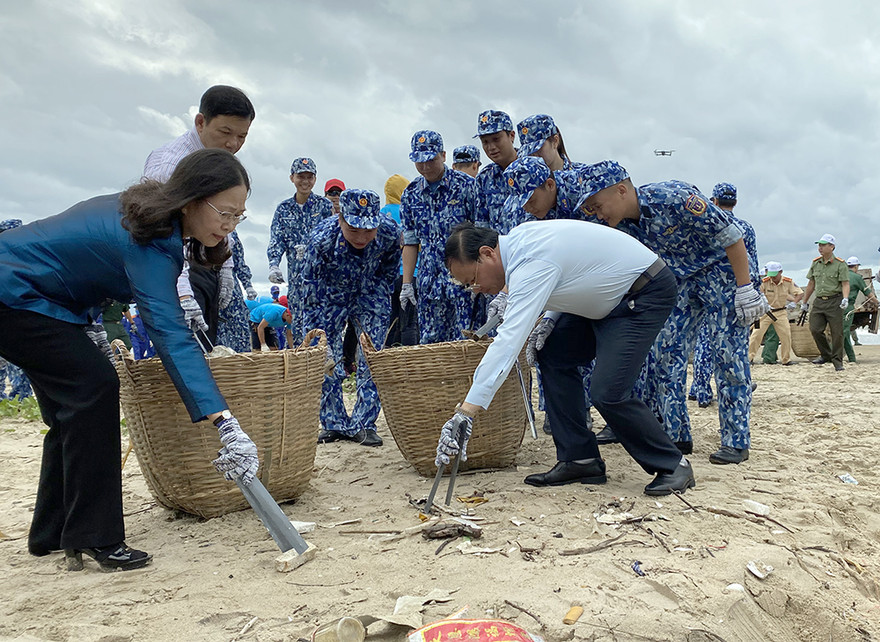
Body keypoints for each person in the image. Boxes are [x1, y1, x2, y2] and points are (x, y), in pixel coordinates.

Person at [0, 149, 259, 571]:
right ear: (192, 200)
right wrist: (224, 422)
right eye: (224, 213)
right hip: (14, 293)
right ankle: (94, 536)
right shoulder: (151, 240)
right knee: (94, 387)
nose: (230, 225)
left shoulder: (142, 215)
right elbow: (170, 333)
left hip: (34, 296)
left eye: (239, 216)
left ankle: (52, 531)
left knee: (72, 409)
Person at [436, 221, 695, 496]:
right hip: (602, 300)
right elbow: (574, 278)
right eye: (468, 286)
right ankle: (580, 458)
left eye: (473, 279)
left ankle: (673, 465)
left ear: (487, 253)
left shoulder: (530, 261)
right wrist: (550, 317)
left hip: (640, 293)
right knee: (552, 350)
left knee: (607, 392)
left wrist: (466, 411)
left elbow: (508, 342)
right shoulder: (520, 246)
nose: (476, 289)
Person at [576, 161, 769, 465]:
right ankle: (677, 434)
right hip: (678, 282)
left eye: (598, 205)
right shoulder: (616, 226)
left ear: (622, 190)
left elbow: (731, 235)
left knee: (727, 356)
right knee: (666, 355)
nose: (598, 214)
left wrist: (746, 287)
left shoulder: (674, 197)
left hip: (721, 273)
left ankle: (736, 441)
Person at [143, 86, 257, 345]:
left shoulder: (224, 164)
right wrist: (182, 292)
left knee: (229, 355)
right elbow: (159, 235)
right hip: (183, 269)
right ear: (200, 122)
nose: (233, 144)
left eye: (242, 136)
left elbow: (225, 218)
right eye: (225, 132)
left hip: (212, 265)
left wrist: (227, 267)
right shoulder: (169, 165)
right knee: (189, 349)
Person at [302, 189, 401, 447]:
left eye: (369, 230)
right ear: (341, 219)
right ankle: (333, 422)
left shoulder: (390, 232)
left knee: (372, 353)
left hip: (370, 290)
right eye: (354, 229)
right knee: (325, 355)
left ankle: (364, 423)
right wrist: (316, 334)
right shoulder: (321, 240)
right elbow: (310, 290)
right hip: (330, 295)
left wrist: (379, 295)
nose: (362, 237)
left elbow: (390, 268)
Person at [400, 130, 477, 343]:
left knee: (465, 340)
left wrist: (479, 277)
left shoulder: (466, 186)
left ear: (443, 155)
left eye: (430, 160)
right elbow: (410, 241)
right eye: (419, 161)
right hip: (429, 281)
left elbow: (480, 233)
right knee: (431, 342)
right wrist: (408, 283)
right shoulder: (411, 193)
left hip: (463, 279)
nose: (425, 166)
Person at [688, 182, 762, 406]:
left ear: (714, 201)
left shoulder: (706, 223)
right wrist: (754, 292)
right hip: (737, 291)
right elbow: (753, 263)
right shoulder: (745, 227)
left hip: (707, 291)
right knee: (736, 345)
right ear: (736, 202)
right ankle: (739, 390)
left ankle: (700, 391)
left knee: (704, 343)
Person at [267, 157, 334, 344]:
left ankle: (325, 369)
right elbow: (276, 239)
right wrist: (274, 264)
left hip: (321, 278)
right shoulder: (283, 209)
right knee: (298, 326)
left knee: (322, 325)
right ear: (292, 178)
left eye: (309, 177)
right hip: (296, 280)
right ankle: (303, 369)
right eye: (300, 176)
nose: (305, 181)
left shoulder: (324, 206)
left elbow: (332, 238)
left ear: (315, 179)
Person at [800, 234, 850, 371]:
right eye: (819, 245)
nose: (820, 248)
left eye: (823, 245)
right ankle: (826, 354)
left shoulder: (840, 264)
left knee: (837, 333)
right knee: (815, 329)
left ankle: (837, 361)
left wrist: (845, 298)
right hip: (819, 301)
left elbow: (845, 283)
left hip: (835, 301)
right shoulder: (816, 263)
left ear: (832, 247)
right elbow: (811, 283)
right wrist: (804, 302)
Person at [381, 174, 419, 347]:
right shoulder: (410, 211)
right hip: (411, 275)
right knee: (409, 322)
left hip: (388, 277)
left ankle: (387, 361)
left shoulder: (380, 215)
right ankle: (411, 362)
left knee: (391, 321)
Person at [747, 262, 803, 366]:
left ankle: (786, 359)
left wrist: (794, 303)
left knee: (786, 335)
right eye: (770, 275)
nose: (772, 278)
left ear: (780, 272)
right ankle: (749, 358)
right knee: (756, 335)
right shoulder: (764, 282)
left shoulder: (788, 282)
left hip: (780, 313)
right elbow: (758, 293)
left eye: (774, 275)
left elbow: (799, 293)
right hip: (764, 313)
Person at [216, 229, 259, 353]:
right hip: (208, 293)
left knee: (241, 336)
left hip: (233, 295)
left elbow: (239, 261)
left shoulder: (231, 232)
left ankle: (243, 368)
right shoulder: (200, 228)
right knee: (216, 344)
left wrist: (248, 285)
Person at [842, 256, 878, 363]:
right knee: (844, 332)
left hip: (835, 306)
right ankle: (832, 355)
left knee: (844, 332)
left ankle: (851, 358)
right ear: (856, 266)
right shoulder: (857, 278)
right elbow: (868, 295)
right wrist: (878, 302)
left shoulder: (841, 275)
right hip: (847, 307)